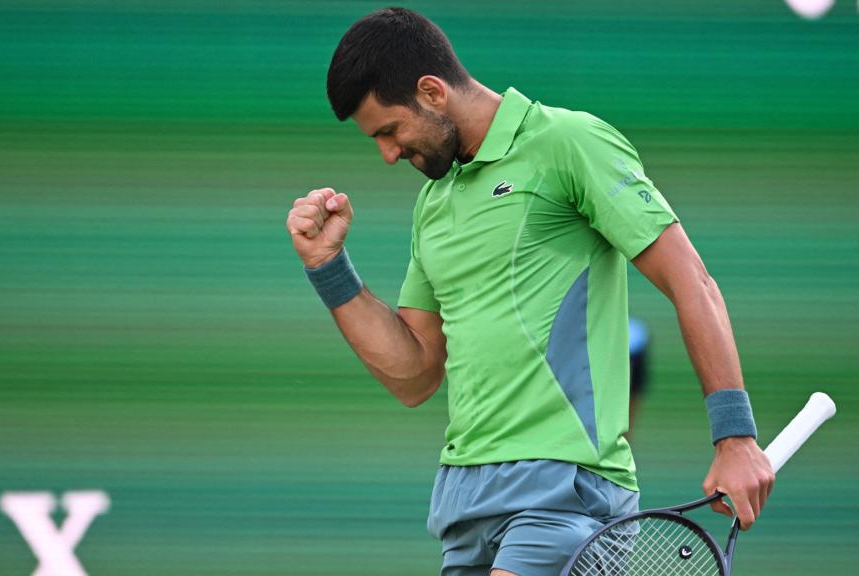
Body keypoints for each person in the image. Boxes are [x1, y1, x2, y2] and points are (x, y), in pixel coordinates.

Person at [285, 8, 774, 576]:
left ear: (432, 91)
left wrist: (735, 436)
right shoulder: (433, 205)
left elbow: (692, 281)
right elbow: (415, 374)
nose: (388, 154)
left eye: (389, 131)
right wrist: (328, 267)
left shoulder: (568, 143)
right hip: (463, 503)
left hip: (563, 493)